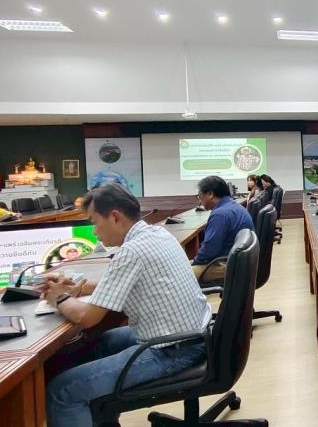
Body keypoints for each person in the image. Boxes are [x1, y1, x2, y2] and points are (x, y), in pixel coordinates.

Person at [37, 183, 211, 427]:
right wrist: (77, 288)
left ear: (115, 217)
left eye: (94, 222)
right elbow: (118, 282)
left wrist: (59, 298)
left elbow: (87, 317)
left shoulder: (131, 251)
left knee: (62, 392)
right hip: (193, 337)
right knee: (103, 342)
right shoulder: (156, 234)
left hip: (172, 351)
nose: (94, 231)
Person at [191, 176, 255, 282]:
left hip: (227, 265)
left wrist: (194, 262)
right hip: (241, 263)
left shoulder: (220, 215)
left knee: (181, 275)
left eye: (199, 195)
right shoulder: (234, 206)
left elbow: (209, 251)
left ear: (210, 194)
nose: (199, 200)